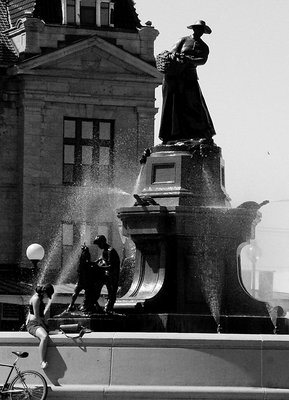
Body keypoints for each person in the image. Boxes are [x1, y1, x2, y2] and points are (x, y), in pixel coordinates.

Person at [158, 20, 216, 143]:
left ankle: (201, 132)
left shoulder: (204, 46)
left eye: (201, 30)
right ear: (193, 29)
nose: (199, 31)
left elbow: (202, 60)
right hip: (175, 76)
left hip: (190, 77)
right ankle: (171, 135)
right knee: (173, 104)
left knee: (194, 104)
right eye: (197, 29)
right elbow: (172, 52)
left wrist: (189, 60)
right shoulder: (183, 40)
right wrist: (179, 58)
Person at [26, 284, 54, 369]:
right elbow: (37, 316)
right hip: (34, 324)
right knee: (44, 337)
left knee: (51, 333)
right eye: (47, 295)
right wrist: (44, 327)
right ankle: (42, 362)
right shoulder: (36, 299)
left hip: (38, 324)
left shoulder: (39, 298)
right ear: (44, 292)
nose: (46, 297)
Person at [92, 235, 120, 313]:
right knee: (95, 289)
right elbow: (98, 260)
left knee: (111, 294)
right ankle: (96, 306)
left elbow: (111, 267)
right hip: (105, 275)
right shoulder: (104, 251)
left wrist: (99, 268)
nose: (98, 246)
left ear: (102, 242)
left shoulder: (110, 251)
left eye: (98, 244)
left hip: (112, 277)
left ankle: (108, 308)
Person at [66, 244, 95, 313]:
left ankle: (71, 305)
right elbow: (88, 264)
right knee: (90, 291)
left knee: (77, 292)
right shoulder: (84, 258)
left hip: (81, 280)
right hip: (84, 280)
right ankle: (72, 305)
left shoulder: (81, 260)